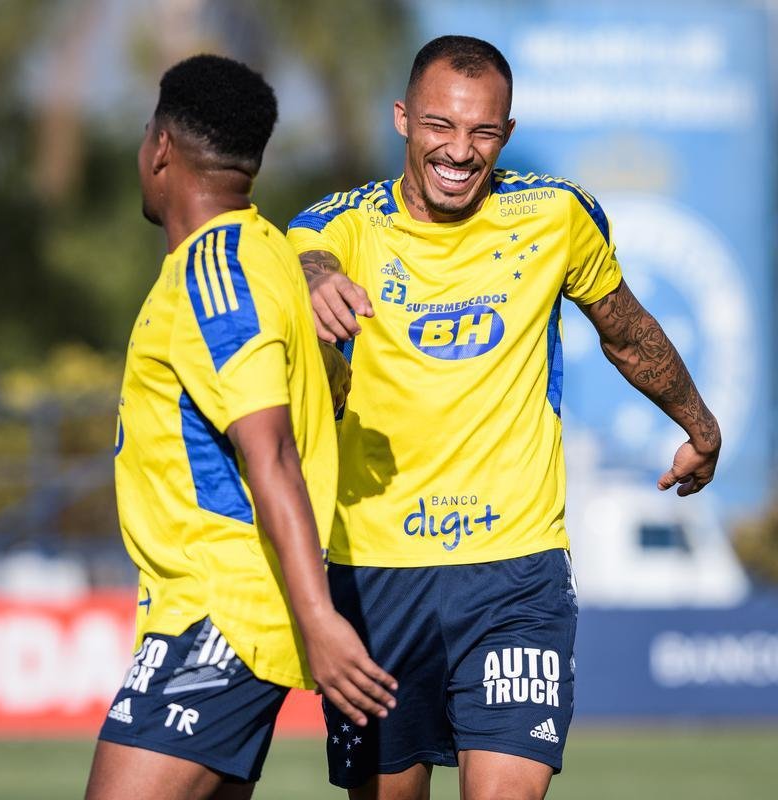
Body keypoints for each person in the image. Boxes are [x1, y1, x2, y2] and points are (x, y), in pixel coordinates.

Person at [287, 35, 721, 800]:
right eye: (440, 126)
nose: (460, 150)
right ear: (403, 120)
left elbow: (624, 329)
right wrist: (317, 282)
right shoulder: (343, 225)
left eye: (483, 131)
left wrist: (700, 425)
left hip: (516, 572)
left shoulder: (555, 215)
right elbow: (304, 254)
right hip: (376, 573)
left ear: (506, 134)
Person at [85, 54, 396, 800]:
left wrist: (318, 620)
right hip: (222, 616)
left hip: (221, 616)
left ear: (160, 146)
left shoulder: (215, 274)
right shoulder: (264, 254)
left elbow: (273, 452)